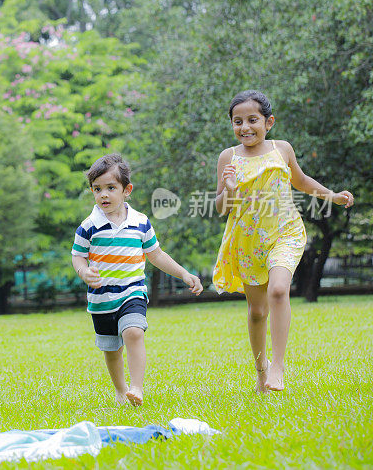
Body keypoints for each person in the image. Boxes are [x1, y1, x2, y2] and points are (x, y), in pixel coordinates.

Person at [213, 90, 354, 393]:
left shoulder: (282, 149)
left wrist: (332, 195)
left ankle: (278, 366)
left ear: (269, 122)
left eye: (253, 120)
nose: (245, 127)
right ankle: (261, 370)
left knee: (279, 290)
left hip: (285, 233)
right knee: (256, 312)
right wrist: (229, 188)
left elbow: (300, 181)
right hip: (247, 242)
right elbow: (221, 208)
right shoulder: (228, 157)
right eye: (238, 122)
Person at [72, 154, 202, 407]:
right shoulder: (88, 227)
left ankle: (136, 387)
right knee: (111, 351)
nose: (104, 195)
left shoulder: (141, 223)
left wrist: (184, 273)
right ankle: (121, 392)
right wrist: (83, 272)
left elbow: (156, 255)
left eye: (111, 188)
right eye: (97, 189)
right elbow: (78, 257)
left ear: (126, 190)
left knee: (133, 332)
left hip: (132, 292)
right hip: (102, 299)